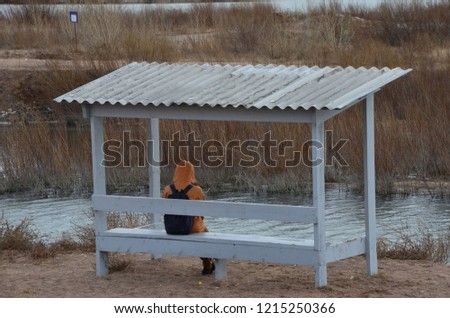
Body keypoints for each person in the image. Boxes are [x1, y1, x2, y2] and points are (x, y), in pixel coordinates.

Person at [162, 160, 215, 275]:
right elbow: (202, 213)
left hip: (171, 227)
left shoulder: (167, 189)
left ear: (177, 172)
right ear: (191, 172)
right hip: (192, 227)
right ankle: (207, 264)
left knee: (201, 231)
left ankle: (209, 262)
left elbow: (164, 210)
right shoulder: (197, 190)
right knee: (203, 232)